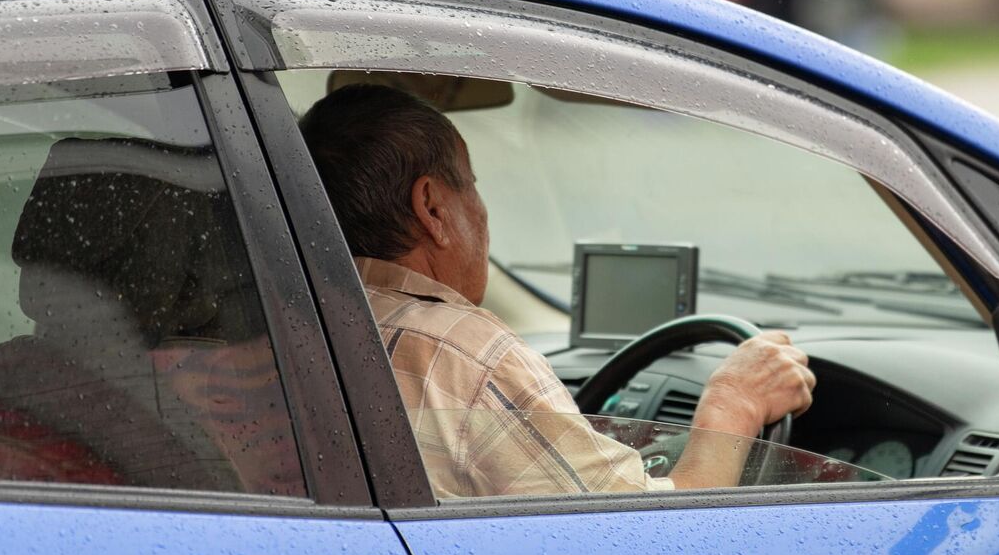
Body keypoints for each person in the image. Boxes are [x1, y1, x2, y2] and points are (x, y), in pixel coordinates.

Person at [301, 83, 814, 499]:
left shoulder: (296, 328)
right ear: (432, 208)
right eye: (472, 185)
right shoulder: (468, 356)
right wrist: (733, 402)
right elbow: (646, 534)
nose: (481, 209)